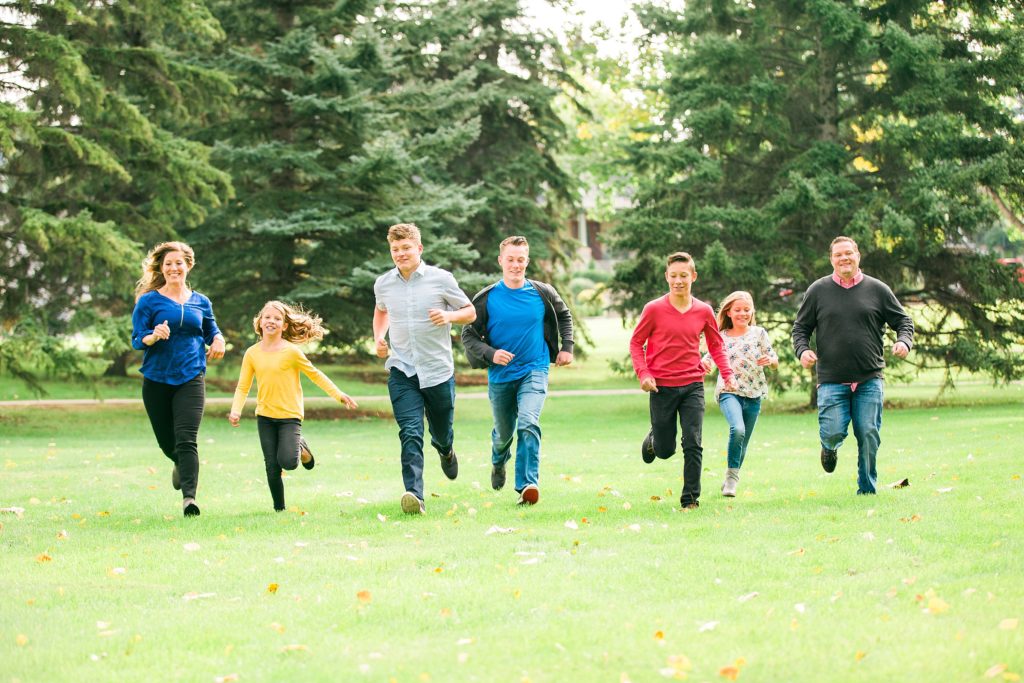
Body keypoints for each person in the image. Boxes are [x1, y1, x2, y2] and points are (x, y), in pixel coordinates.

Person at [791, 236, 914, 495]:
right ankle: (830, 446)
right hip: (832, 379)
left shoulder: (878, 289)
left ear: (858, 255)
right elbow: (801, 328)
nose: (844, 258)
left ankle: (867, 490)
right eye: (838, 255)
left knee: (868, 433)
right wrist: (802, 351)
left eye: (849, 253)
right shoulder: (818, 291)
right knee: (833, 431)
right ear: (831, 259)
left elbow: (904, 321)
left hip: (869, 377)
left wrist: (904, 341)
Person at [462, 236, 575, 506]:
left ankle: (527, 485)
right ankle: (498, 461)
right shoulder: (487, 298)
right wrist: (492, 354)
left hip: (534, 368)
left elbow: (564, 315)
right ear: (501, 260)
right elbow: (469, 335)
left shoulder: (542, 292)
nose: (516, 265)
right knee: (503, 434)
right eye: (510, 259)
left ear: (527, 261)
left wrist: (566, 346)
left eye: (521, 259)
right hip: (501, 376)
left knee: (528, 422)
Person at [372, 223, 477, 515]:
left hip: (437, 370)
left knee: (442, 431)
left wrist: (448, 315)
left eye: (406, 248)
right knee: (410, 431)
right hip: (402, 370)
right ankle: (414, 496)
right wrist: (379, 338)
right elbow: (381, 311)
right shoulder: (384, 283)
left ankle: (446, 450)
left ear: (419, 248)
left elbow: (470, 312)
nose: (401, 254)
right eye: (395, 249)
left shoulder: (441, 279)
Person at [629, 252, 736, 510]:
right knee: (666, 450)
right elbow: (636, 342)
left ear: (693, 277)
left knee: (693, 441)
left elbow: (716, 345)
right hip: (661, 386)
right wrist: (643, 374)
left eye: (684, 276)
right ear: (667, 277)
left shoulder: (703, 310)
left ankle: (690, 500)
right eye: (674, 276)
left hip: (692, 385)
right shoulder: (653, 309)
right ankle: (655, 440)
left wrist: (728, 374)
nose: (679, 281)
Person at [228, 301, 358, 511]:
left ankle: (300, 446)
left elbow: (315, 375)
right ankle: (279, 509)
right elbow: (243, 386)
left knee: (288, 462)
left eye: (277, 319)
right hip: (265, 416)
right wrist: (236, 410)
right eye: (267, 317)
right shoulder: (252, 353)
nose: (271, 321)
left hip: (290, 416)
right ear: (260, 322)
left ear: (284, 326)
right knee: (271, 465)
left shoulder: (291, 352)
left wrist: (338, 394)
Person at [131, 241, 226, 517]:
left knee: (187, 439)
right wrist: (153, 335)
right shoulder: (149, 301)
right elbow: (138, 338)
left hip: (191, 376)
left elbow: (211, 329)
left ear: (188, 266)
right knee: (167, 442)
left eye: (179, 263)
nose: (174, 268)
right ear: (161, 268)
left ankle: (189, 499)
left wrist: (218, 339)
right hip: (157, 379)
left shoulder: (201, 301)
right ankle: (179, 463)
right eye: (168, 263)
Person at [701, 291, 778, 497]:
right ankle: (732, 481)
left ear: (752, 311)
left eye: (747, 309)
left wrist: (770, 361)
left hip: (754, 394)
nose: (743, 313)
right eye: (738, 310)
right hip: (729, 391)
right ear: (728, 312)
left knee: (743, 441)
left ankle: (730, 477)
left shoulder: (759, 333)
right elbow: (709, 356)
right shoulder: (721, 336)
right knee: (738, 429)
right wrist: (706, 363)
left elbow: (773, 359)